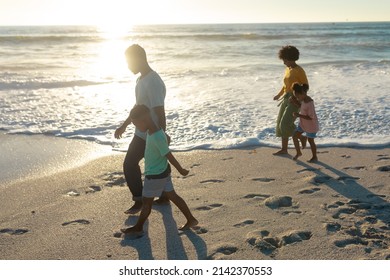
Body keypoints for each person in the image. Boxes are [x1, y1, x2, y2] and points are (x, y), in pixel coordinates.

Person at [121, 105, 198, 236]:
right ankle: (191, 219)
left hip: (155, 174)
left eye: (136, 124)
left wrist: (180, 169)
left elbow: (168, 154)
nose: (136, 128)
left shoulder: (156, 135)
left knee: (146, 203)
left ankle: (139, 227)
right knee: (173, 196)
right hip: (163, 171)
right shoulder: (154, 129)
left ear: (144, 120)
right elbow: (166, 140)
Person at [115, 44, 169, 215]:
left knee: (130, 164)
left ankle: (139, 200)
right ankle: (164, 195)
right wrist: (125, 124)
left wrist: (161, 135)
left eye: (129, 62)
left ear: (139, 59)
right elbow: (138, 106)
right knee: (156, 166)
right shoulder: (141, 79)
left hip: (150, 133)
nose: (128, 66)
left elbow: (159, 110)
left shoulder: (152, 81)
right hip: (142, 131)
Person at [273, 45, 309, 155]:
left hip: (295, 99)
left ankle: (301, 137)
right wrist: (279, 95)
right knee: (280, 123)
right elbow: (285, 86)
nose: (283, 62)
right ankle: (284, 149)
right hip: (286, 98)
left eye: (285, 60)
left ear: (291, 58)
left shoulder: (299, 71)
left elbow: (305, 86)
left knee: (285, 123)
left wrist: (298, 100)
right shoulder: (287, 69)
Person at [291, 83, 319, 162]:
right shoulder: (303, 100)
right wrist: (294, 102)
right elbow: (301, 107)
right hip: (303, 123)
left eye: (298, 97)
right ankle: (298, 152)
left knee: (311, 141)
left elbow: (311, 117)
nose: (297, 98)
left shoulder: (309, 103)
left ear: (303, 93)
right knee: (294, 136)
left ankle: (314, 157)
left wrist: (298, 115)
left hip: (311, 125)